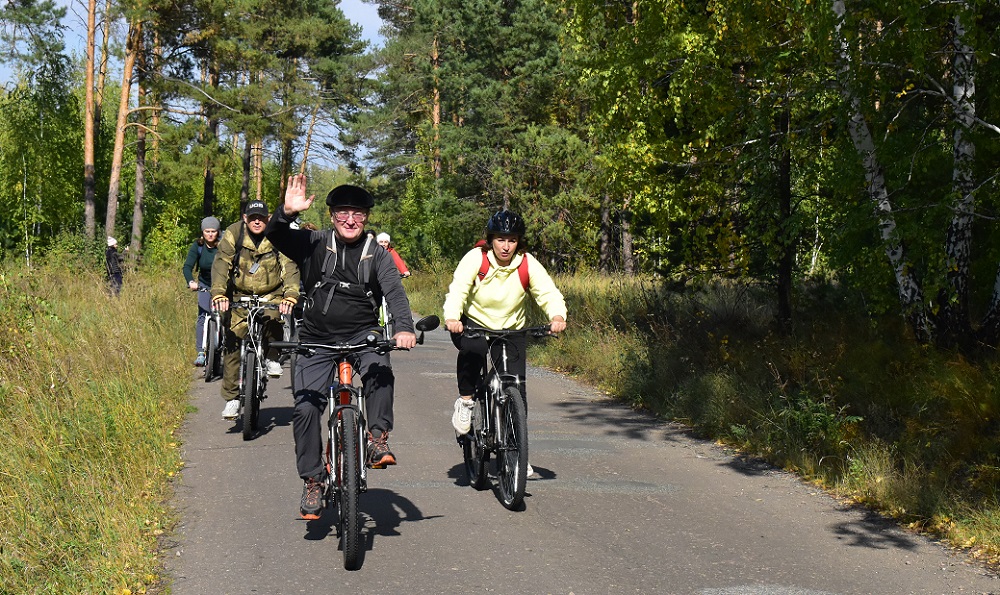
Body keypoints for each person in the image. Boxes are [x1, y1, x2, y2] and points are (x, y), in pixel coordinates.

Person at [266, 173, 417, 521]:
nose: (350, 220)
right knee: (305, 409)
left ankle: (377, 439)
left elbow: (394, 293)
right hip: (316, 338)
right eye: (343, 213)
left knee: (380, 371)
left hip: (364, 334)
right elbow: (275, 234)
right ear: (332, 216)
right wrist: (286, 213)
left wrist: (404, 328)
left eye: (358, 214)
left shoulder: (377, 254)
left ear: (367, 217)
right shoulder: (314, 243)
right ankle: (313, 481)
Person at [442, 210, 568, 476]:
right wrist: (452, 317)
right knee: (474, 349)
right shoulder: (476, 259)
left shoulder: (526, 263)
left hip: (511, 329)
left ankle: (515, 451)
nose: (506, 246)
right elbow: (458, 290)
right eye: (500, 239)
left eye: (512, 240)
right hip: (474, 324)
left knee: (515, 387)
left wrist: (557, 316)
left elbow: (547, 292)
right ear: (491, 240)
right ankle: (466, 401)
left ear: (518, 242)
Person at [210, 200, 300, 421]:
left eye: (261, 217)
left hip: (271, 293)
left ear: (268, 218)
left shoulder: (277, 234)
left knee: (274, 320)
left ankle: (271, 356)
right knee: (232, 342)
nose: (257, 221)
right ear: (245, 218)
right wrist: (219, 293)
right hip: (239, 294)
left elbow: (289, 265)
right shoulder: (234, 233)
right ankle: (232, 398)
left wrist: (291, 294)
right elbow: (222, 263)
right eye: (252, 218)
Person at [183, 216, 221, 366]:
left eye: (213, 231)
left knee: (226, 317)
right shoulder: (198, 246)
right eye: (207, 231)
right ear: (203, 232)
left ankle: (228, 348)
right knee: (203, 316)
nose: (210, 234)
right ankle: (201, 352)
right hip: (205, 285)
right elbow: (187, 266)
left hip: (222, 285)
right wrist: (191, 281)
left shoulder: (223, 245)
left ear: (218, 232)